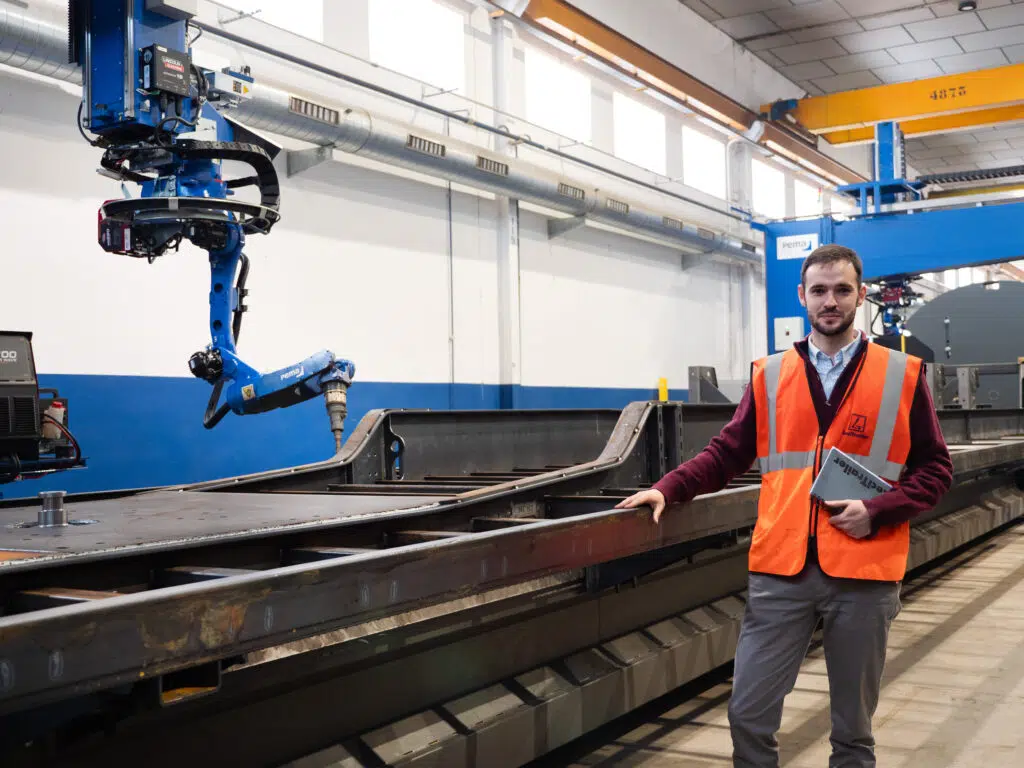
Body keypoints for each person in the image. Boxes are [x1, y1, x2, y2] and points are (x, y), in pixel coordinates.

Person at [616, 244, 952, 768]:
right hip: (782, 569)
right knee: (748, 716)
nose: (830, 301)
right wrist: (669, 487)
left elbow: (935, 470)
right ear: (802, 297)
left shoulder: (902, 374)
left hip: (865, 571)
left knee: (853, 732)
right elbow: (726, 452)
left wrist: (880, 510)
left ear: (861, 296)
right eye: (819, 290)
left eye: (842, 290)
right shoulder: (770, 374)